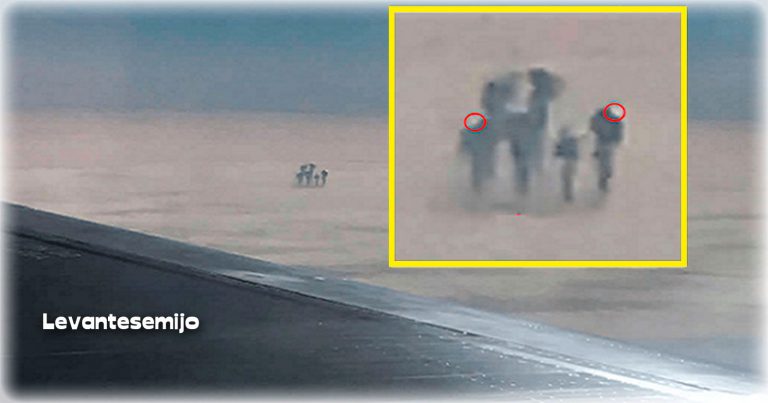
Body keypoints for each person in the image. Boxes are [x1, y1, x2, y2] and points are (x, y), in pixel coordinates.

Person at [590, 107, 625, 192]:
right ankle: (606, 174)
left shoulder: (597, 118)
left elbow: (593, 128)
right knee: (608, 159)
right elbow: (619, 129)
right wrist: (618, 140)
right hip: (609, 142)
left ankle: (604, 176)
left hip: (601, 141)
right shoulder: (615, 120)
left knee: (602, 161)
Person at [554, 127, 580, 202]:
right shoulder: (573, 140)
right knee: (570, 178)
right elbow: (576, 152)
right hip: (572, 161)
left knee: (565, 179)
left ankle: (567, 195)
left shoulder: (561, 141)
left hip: (565, 161)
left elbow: (557, 153)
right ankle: (570, 195)